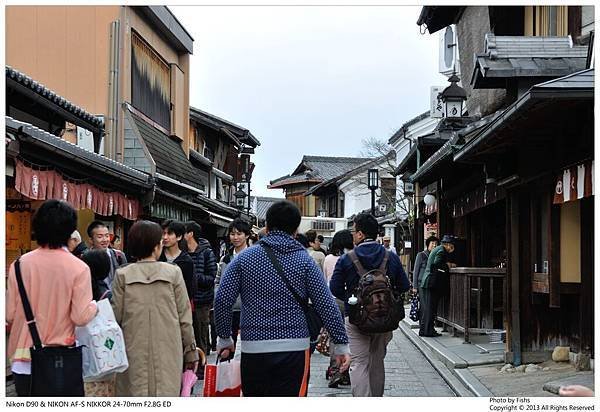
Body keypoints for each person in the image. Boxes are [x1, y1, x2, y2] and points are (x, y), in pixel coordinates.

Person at [214, 200, 351, 397]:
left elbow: (222, 300)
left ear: (267, 227)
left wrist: (225, 337)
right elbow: (326, 303)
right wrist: (340, 344)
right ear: (296, 230)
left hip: (254, 346)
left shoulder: (244, 259)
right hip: (295, 346)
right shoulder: (305, 261)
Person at [6, 200, 98, 396]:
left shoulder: (19, 265)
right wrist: (94, 307)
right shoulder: (79, 268)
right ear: (70, 231)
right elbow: (80, 317)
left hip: (23, 358)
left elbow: (10, 314)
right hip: (60, 359)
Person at [111, 220, 198, 396]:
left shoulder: (122, 275)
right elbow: (184, 317)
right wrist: (191, 351)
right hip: (168, 349)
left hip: (131, 349)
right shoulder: (173, 273)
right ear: (157, 246)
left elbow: (114, 319)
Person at [330, 212, 410, 397]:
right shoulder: (391, 257)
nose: (352, 235)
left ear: (360, 234)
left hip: (356, 319)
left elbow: (334, 288)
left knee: (359, 363)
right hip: (384, 319)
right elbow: (404, 286)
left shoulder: (347, 259)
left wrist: (353, 300)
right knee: (377, 362)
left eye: (353, 231)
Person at [322, 229, 354, 388]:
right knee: (349, 335)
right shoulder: (352, 257)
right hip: (348, 299)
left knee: (335, 336)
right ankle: (346, 372)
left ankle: (335, 371)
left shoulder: (328, 259)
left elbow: (325, 279)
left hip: (331, 300)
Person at [184, 222, 217, 363]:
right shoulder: (183, 253)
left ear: (190, 234)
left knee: (201, 334)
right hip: (185, 301)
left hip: (201, 301)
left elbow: (211, 278)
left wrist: (194, 277)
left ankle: (202, 366)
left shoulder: (206, 253)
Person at [215, 218, 251, 347]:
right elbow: (218, 281)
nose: (235, 237)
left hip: (248, 310)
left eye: (239, 234)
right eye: (232, 234)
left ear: (247, 235)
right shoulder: (226, 258)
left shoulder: (253, 258)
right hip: (228, 309)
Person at [419, 234, 456, 337]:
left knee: (428, 308)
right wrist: (448, 265)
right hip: (431, 281)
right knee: (431, 308)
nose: (452, 249)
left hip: (428, 280)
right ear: (448, 245)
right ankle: (428, 331)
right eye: (452, 246)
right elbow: (436, 264)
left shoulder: (439, 249)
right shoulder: (441, 251)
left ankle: (424, 330)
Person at [159, 220, 196, 303]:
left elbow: (190, 289)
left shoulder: (186, 261)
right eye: (163, 233)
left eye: (169, 233)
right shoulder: (157, 257)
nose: (165, 237)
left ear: (179, 237)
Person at [86, 221, 127, 291]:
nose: (105, 240)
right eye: (100, 237)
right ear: (91, 240)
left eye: (107, 236)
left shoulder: (119, 256)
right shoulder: (86, 258)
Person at [412, 236, 440, 327]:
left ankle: (428, 326)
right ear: (428, 244)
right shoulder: (421, 255)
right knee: (424, 306)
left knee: (430, 306)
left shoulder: (436, 256)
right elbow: (415, 271)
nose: (434, 245)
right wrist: (415, 286)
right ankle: (423, 326)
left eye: (436, 244)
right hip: (421, 284)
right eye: (432, 243)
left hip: (431, 284)